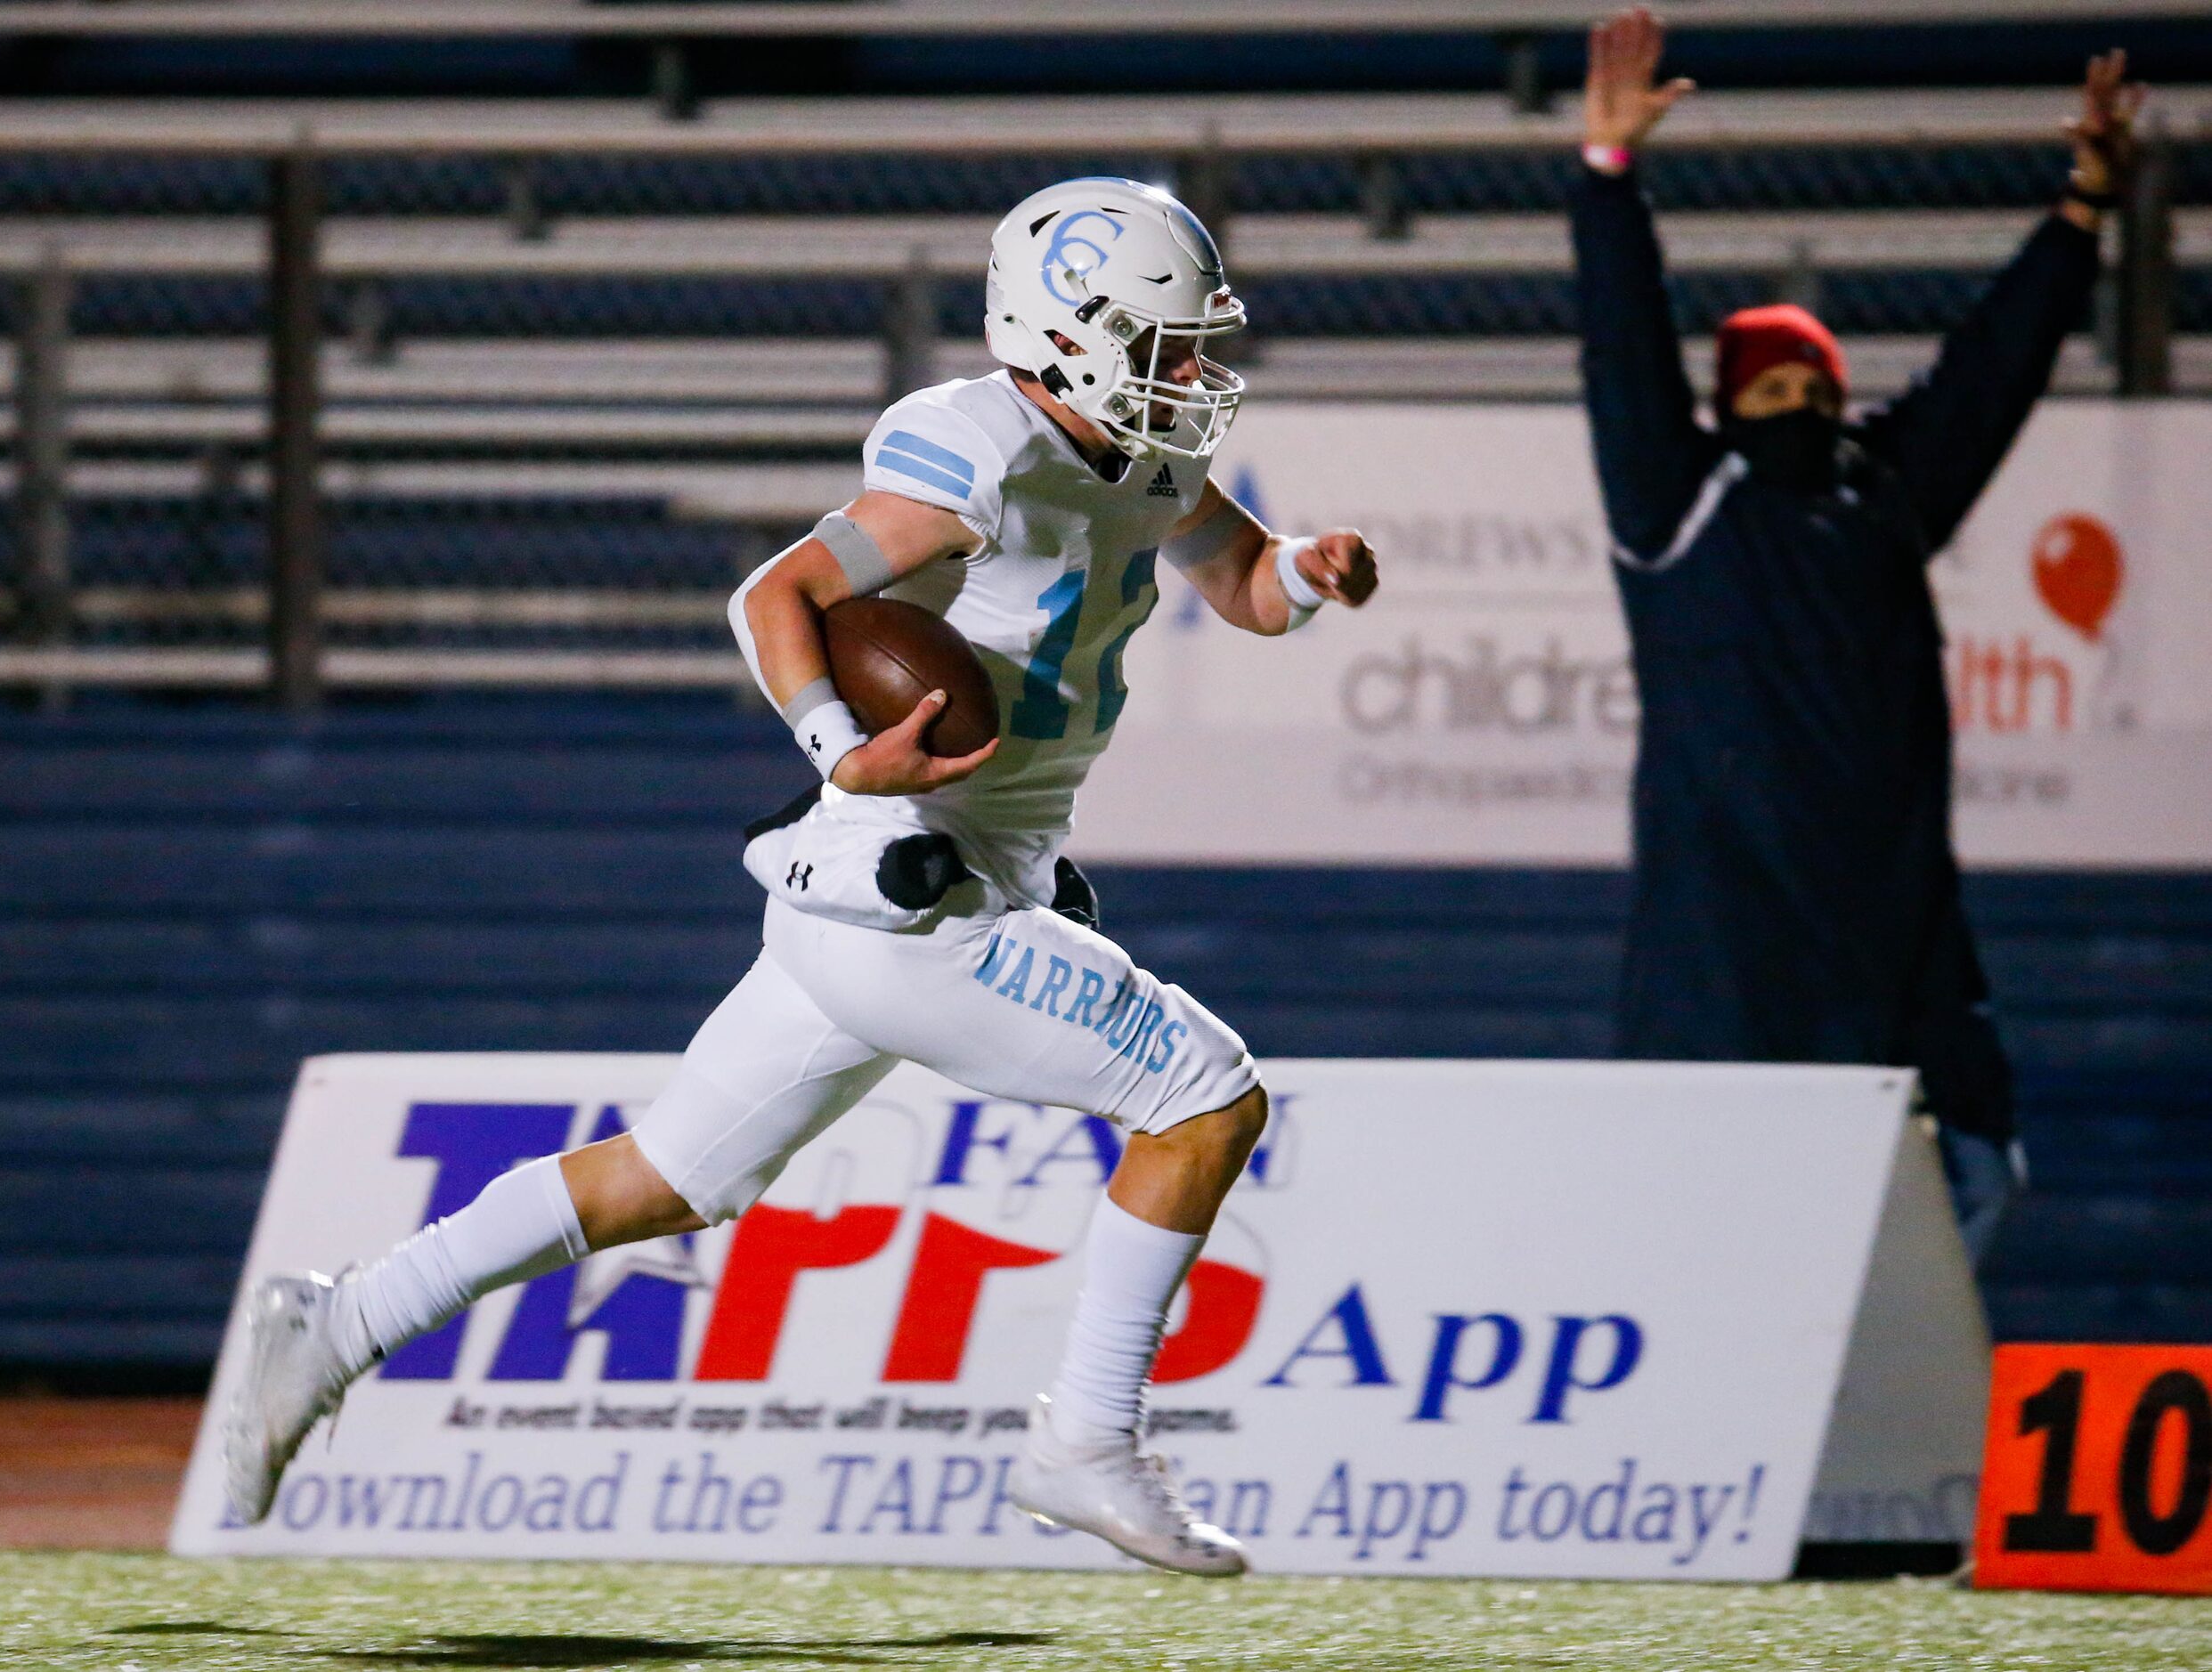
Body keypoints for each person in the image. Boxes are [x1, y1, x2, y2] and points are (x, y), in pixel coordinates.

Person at [222, 176, 1378, 1576]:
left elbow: (1244, 588)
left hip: (945, 876)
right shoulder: (978, 447)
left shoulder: (1148, 456)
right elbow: (774, 594)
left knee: (666, 1176)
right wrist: (842, 746)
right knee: (1205, 1097)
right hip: (910, 883)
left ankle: (335, 1324)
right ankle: (1083, 1438)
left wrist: (1310, 575)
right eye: (1164, 347)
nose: (1191, 375)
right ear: (1068, 333)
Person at [1570, 9, 2140, 1262]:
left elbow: (1992, 375)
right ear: (1727, 408)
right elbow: (1624, 357)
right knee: (1710, 1258)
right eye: (1771, 389)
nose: (1801, 405)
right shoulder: (1681, 505)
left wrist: (2082, 215)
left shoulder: (1882, 498)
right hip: (1726, 967)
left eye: (1819, 387)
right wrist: (1608, 182)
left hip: (1899, 947)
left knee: (1970, 1198)